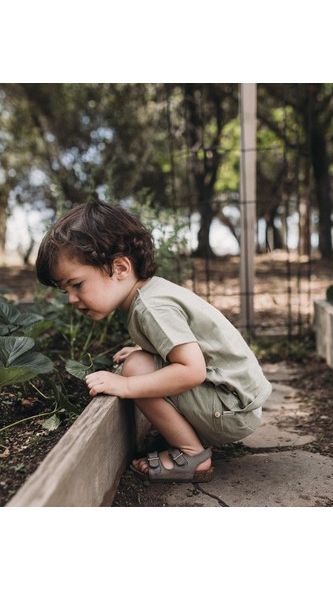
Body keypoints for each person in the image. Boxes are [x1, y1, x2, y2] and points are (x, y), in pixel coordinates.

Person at [35, 201, 272, 483]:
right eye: (65, 292)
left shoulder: (152, 307)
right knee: (138, 360)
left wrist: (126, 385)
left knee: (135, 369)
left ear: (120, 267)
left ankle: (193, 455)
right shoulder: (151, 294)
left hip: (232, 409)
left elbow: (192, 370)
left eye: (77, 285)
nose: (72, 299)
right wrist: (144, 350)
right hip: (236, 400)